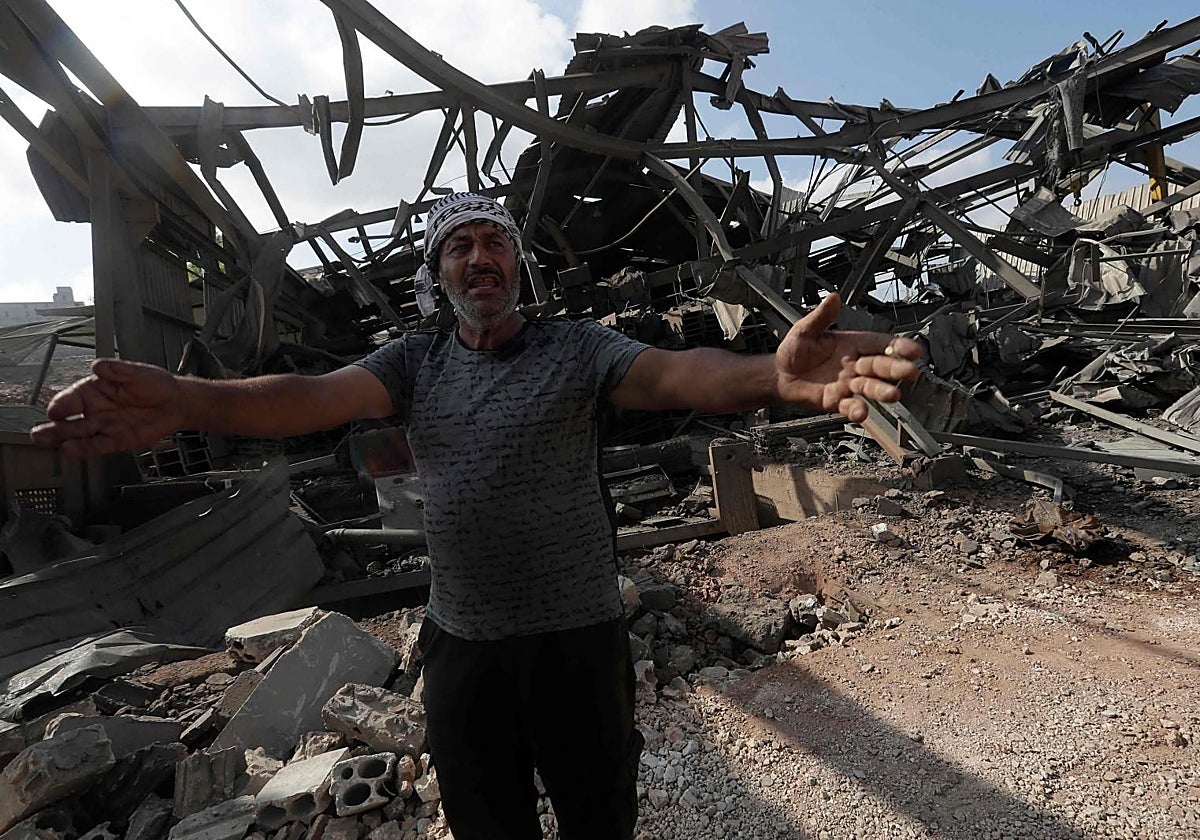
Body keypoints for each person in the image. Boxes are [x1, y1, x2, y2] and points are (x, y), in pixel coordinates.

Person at [31, 192, 922, 839]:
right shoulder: (414, 362)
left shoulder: (579, 349)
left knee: (598, 815)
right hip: (463, 645)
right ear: (438, 272)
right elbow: (309, 396)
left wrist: (771, 373)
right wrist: (188, 398)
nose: (481, 256)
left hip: (578, 637)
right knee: (487, 823)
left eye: (495, 242)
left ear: (517, 266)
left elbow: (677, 374)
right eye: (461, 246)